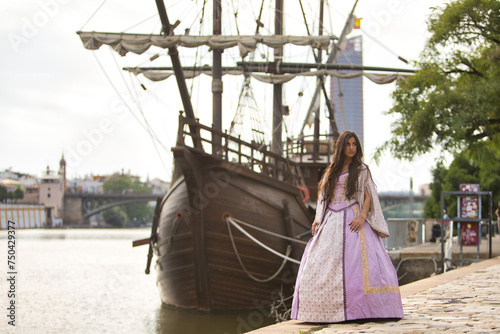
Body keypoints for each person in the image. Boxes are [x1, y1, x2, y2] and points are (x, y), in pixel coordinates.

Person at [291, 131, 404, 323]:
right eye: (348, 144)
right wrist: (318, 219)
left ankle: (361, 310)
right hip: (331, 220)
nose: (352, 147)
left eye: (354, 144)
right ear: (341, 146)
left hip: (353, 219)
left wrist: (361, 217)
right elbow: (323, 198)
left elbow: (368, 196)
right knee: (317, 260)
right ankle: (321, 311)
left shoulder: (361, 170)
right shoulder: (330, 171)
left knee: (358, 266)